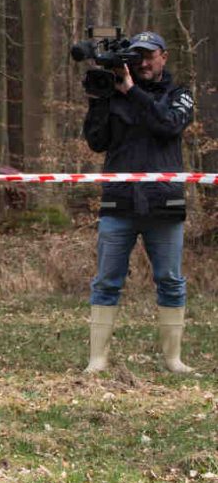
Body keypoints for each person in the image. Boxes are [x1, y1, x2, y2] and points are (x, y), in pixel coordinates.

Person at [82, 30, 194, 374]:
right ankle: (97, 359)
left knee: (171, 281)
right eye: (137, 56)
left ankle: (172, 358)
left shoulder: (179, 95)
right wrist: (101, 99)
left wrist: (132, 92)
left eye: (150, 55)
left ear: (164, 56)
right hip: (119, 202)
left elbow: (169, 125)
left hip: (165, 204)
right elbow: (96, 142)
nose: (143, 63)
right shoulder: (114, 94)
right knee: (106, 281)